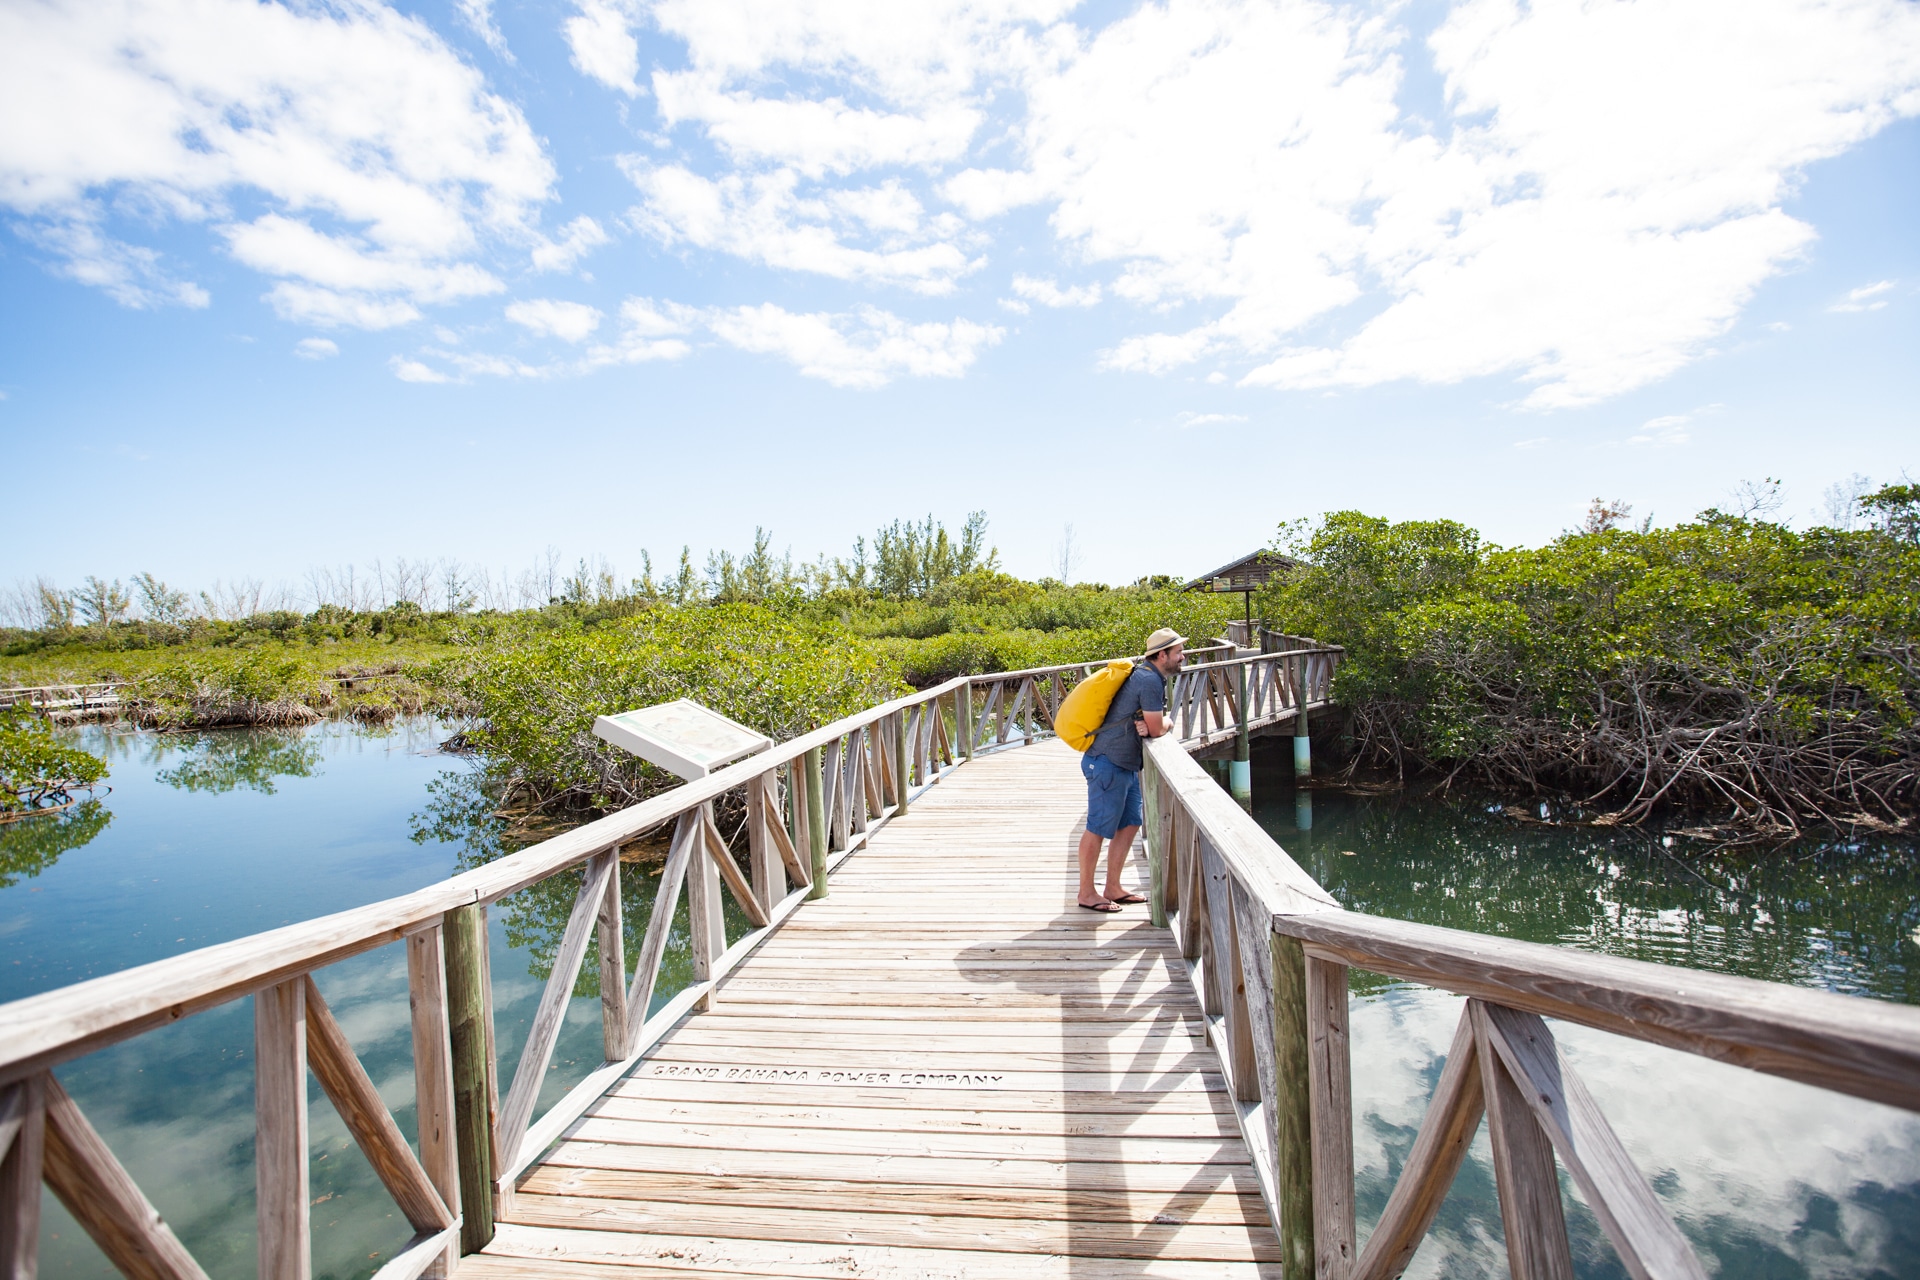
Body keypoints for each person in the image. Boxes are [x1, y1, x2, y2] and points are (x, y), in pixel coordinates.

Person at [1077, 628, 1185, 911]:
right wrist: (1168, 723)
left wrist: (1151, 726)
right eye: (1178, 653)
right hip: (1107, 763)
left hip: (1125, 764)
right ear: (1162, 655)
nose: (1182, 657)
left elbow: (1147, 726)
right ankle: (1086, 893)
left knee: (1130, 824)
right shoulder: (1149, 680)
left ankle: (1112, 887)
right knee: (1098, 828)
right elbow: (1156, 727)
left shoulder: (1147, 675)